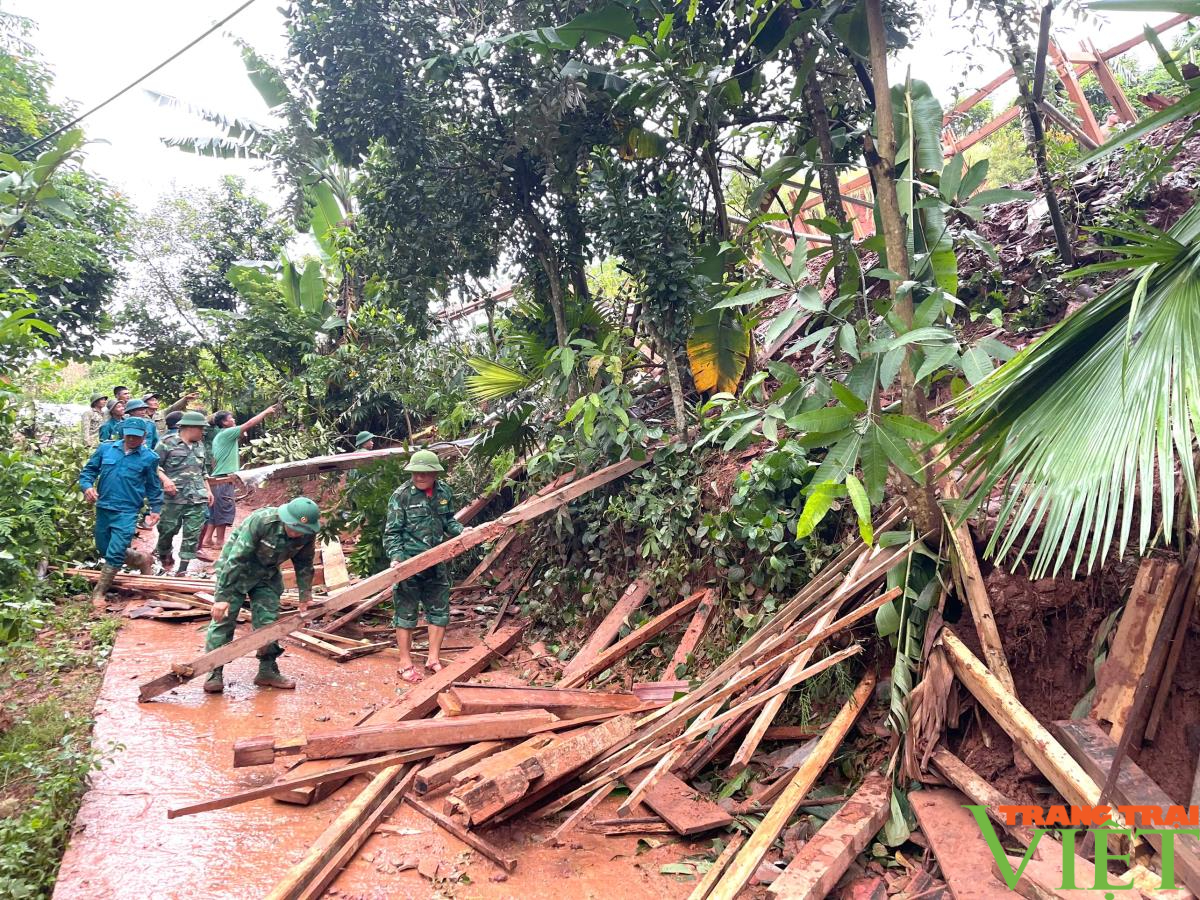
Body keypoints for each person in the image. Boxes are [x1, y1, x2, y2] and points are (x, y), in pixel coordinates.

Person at [202, 497, 320, 693]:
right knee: (224, 620)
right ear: (285, 519)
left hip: (267, 574)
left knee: (269, 623)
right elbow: (237, 559)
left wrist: (305, 595)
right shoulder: (262, 521)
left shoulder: (307, 534)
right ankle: (214, 671)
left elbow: (305, 564)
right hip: (237, 571)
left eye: (301, 530)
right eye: (293, 528)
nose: (296, 533)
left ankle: (267, 670)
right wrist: (222, 597)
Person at [383, 449, 462, 683]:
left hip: (436, 562)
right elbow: (392, 532)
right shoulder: (401, 496)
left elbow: (449, 520)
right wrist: (397, 557)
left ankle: (433, 659)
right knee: (405, 613)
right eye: (415, 473)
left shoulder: (444, 492)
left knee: (439, 612)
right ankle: (405, 661)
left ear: (435, 473)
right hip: (409, 563)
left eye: (424, 474)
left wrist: (461, 531)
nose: (419, 478)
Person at [77, 418, 163, 610]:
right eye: (129, 434)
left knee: (115, 551)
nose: (132, 439)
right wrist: (87, 487)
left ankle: (99, 591)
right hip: (104, 507)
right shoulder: (106, 449)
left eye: (136, 436)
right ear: (123, 432)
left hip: (127, 510)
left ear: (144, 437)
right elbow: (88, 472)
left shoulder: (149, 458)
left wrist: (155, 509)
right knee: (104, 548)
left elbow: (153, 485)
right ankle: (141, 559)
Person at [199, 404, 279, 553]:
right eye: (231, 418)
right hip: (223, 478)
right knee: (223, 508)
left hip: (216, 478)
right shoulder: (227, 433)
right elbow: (249, 424)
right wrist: (266, 411)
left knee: (215, 510)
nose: (234, 419)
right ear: (224, 422)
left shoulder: (221, 435)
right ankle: (219, 542)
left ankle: (208, 539)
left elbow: (242, 434)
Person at [155, 411, 212, 576]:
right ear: (191, 428)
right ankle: (164, 553)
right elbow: (153, 466)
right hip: (174, 498)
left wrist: (208, 490)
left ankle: (182, 570)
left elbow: (203, 471)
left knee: (192, 533)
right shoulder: (166, 443)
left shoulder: (199, 445)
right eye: (202, 429)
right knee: (167, 529)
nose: (203, 432)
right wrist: (165, 480)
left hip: (197, 497)